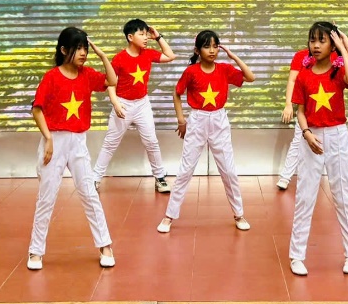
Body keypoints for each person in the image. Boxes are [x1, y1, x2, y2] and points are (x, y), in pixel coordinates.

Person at [28, 26, 121, 271]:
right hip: (55, 141)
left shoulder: (87, 74)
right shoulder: (51, 77)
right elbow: (37, 110)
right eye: (78, 48)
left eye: (85, 49)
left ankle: (105, 245)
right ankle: (35, 251)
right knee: (46, 198)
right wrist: (48, 139)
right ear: (64, 50)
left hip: (78, 142)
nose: (83, 53)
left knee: (89, 194)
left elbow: (112, 80)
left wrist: (103, 57)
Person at [158, 30, 254, 233]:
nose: (212, 50)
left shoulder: (225, 69)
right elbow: (177, 94)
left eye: (215, 46)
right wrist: (181, 119)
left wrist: (233, 56)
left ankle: (239, 214)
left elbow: (250, 77)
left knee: (228, 170)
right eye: (207, 46)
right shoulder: (191, 72)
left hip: (219, 120)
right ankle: (169, 216)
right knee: (186, 170)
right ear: (197, 50)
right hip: (198, 119)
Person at [289, 21, 348, 276]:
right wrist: (307, 134)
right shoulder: (304, 74)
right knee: (305, 196)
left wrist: (342, 46)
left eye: (322, 40)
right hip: (312, 137)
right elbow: (300, 111)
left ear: (332, 43)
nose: (316, 45)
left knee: (342, 195)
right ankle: (297, 256)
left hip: (337, 136)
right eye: (312, 40)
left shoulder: (339, 71)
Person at [94, 18, 175, 192]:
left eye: (147, 34)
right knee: (110, 143)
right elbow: (111, 82)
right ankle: (95, 179)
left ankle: (160, 178)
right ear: (130, 37)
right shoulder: (119, 58)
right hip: (123, 104)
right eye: (142, 34)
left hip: (142, 104)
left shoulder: (148, 53)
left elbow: (170, 56)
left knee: (151, 142)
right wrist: (115, 103)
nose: (146, 38)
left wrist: (158, 36)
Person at [276, 46, 307, 190]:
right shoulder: (301, 55)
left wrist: (339, 36)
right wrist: (288, 104)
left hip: (327, 109)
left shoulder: (335, 56)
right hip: (305, 107)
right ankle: (285, 177)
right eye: (314, 39)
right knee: (298, 141)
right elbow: (292, 80)